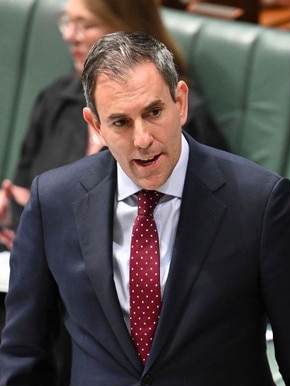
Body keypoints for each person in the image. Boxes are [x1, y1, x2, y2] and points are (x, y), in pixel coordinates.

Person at [0, 31, 290, 386]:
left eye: (154, 112)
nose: (144, 139)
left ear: (181, 102)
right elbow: (21, 358)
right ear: (95, 125)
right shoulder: (53, 200)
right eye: (120, 122)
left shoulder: (262, 204)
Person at [0, 0, 228, 249]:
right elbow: (23, 195)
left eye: (85, 24)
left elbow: (219, 215)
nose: (69, 35)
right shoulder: (55, 99)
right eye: (67, 21)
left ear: (126, 29)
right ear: (94, 122)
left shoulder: (186, 116)